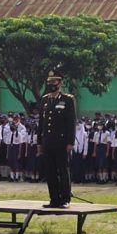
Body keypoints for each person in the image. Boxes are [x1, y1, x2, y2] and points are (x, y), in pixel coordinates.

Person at [38, 69, 76, 208]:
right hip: (48, 142)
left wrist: (70, 142)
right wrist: (39, 143)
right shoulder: (45, 100)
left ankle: (65, 199)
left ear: (60, 83)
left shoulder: (67, 100)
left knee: (63, 171)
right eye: (49, 82)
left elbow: (71, 122)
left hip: (61, 142)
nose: (51, 84)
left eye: (54, 81)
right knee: (50, 172)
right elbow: (41, 124)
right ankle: (54, 199)